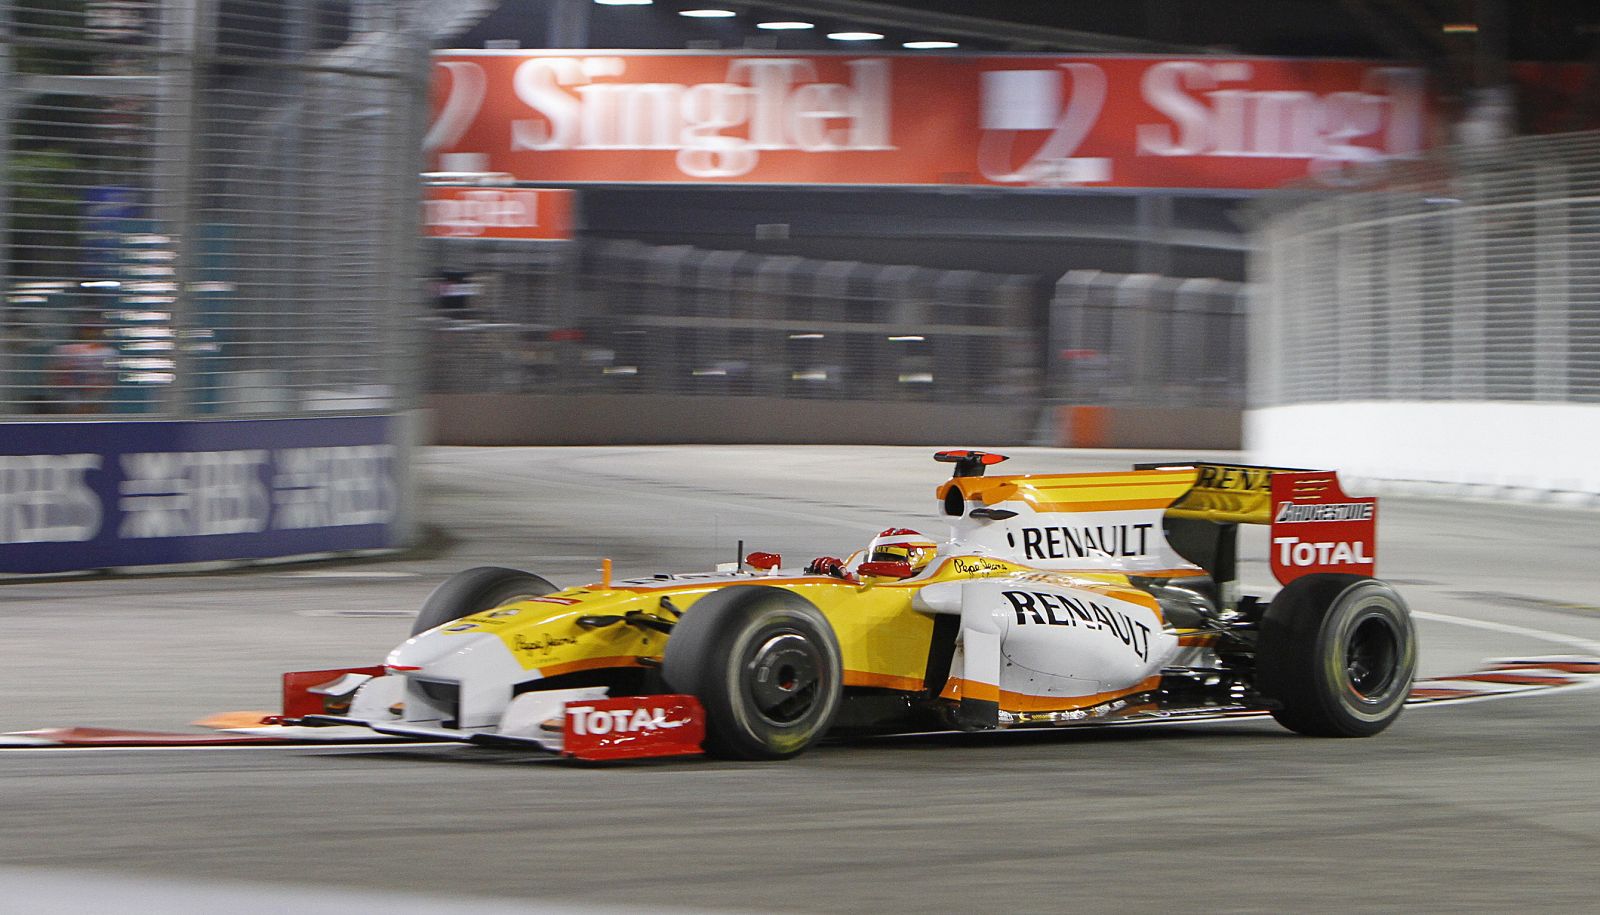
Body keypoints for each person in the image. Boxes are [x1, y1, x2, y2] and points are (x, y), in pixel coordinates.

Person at [807, 527, 939, 580]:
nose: (879, 563)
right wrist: (840, 575)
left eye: (889, 558)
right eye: (877, 558)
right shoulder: (865, 576)